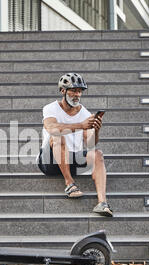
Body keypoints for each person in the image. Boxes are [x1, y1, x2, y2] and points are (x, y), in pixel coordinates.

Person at [37, 73, 113, 217]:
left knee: (97, 154)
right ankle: (70, 184)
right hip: (49, 161)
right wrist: (81, 125)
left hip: (72, 160)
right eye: (73, 90)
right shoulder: (50, 108)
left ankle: (102, 202)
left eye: (79, 91)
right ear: (63, 91)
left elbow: (90, 143)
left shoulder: (84, 113)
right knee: (58, 137)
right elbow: (52, 128)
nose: (77, 94)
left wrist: (95, 131)